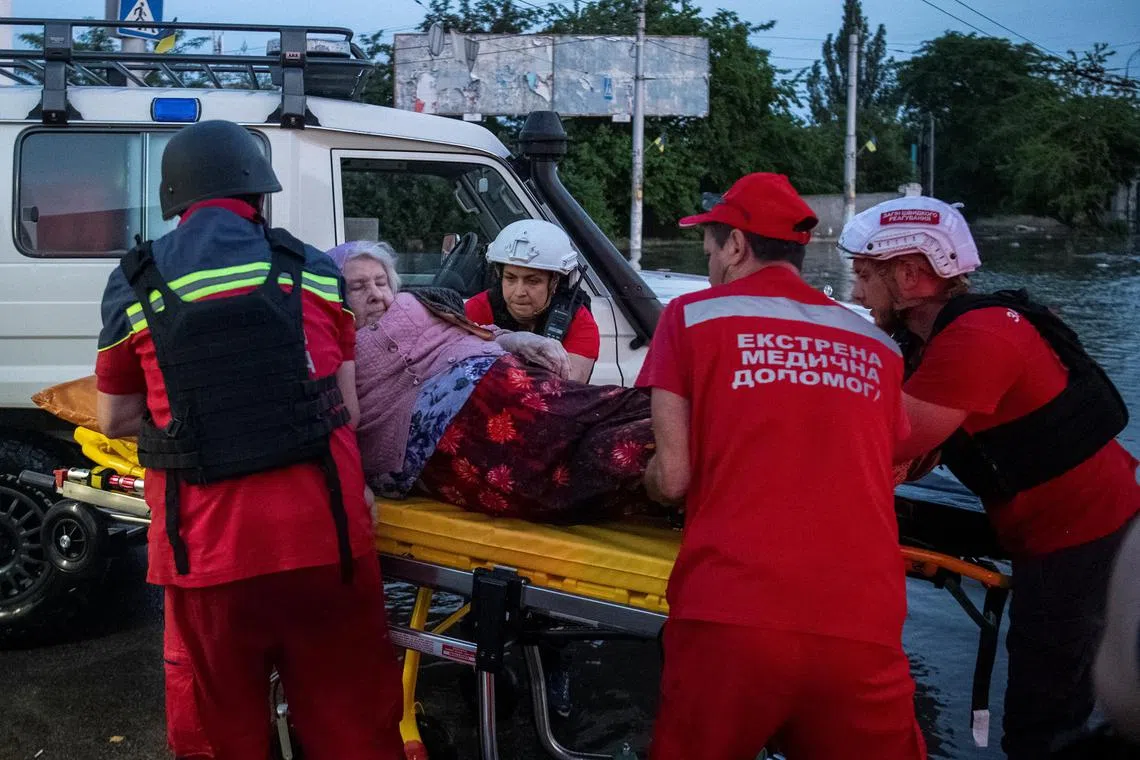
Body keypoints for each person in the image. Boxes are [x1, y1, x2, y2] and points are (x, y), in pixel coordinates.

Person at [94, 121, 403, 760]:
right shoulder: (314, 269)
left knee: (227, 732)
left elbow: (114, 418)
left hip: (206, 550)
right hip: (329, 541)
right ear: (260, 197)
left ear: (173, 200)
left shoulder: (135, 281)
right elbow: (343, 405)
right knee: (355, 727)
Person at [638, 173, 925, 760]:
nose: (712, 264)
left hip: (733, 612)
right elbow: (888, 456)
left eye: (711, 250)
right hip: (864, 623)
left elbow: (673, 481)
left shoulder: (689, 318)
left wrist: (638, 472)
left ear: (737, 245)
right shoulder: (877, 345)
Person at [843, 195, 1139, 759]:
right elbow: (916, 455)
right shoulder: (942, 337)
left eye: (862, 276)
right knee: (1050, 700)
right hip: (1075, 525)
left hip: (1081, 538)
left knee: (1040, 722)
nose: (856, 293)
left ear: (909, 275)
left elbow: (891, 447)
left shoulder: (976, 341)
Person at [328, 240, 657, 524]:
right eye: (358, 287)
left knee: (590, 411)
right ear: (333, 295)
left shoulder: (412, 303)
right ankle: (680, 451)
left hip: (489, 379)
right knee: (566, 482)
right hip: (426, 445)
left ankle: (687, 424)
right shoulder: (329, 343)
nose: (375, 295)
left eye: (381, 282)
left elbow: (473, 328)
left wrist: (517, 339)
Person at [465, 219, 600, 383]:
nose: (519, 292)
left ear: (554, 282)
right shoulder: (477, 308)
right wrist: (506, 343)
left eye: (533, 281)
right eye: (510, 278)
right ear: (499, 276)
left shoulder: (579, 322)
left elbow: (566, 391)